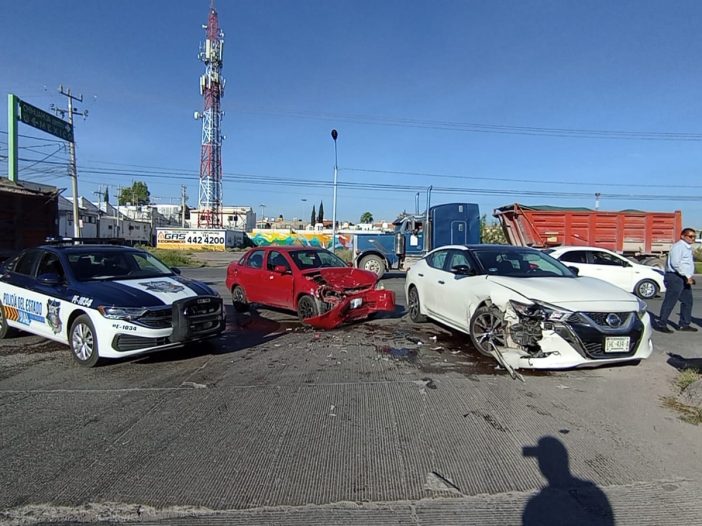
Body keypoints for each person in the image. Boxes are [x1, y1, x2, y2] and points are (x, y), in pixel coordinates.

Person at [658, 228, 697, 333]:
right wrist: (686, 276)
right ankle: (661, 323)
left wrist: (688, 276)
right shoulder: (678, 247)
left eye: (694, 236)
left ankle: (684, 324)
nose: (692, 238)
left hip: (684, 278)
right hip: (675, 277)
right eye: (690, 236)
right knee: (670, 301)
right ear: (682, 236)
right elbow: (676, 264)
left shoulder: (687, 248)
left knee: (688, 301)